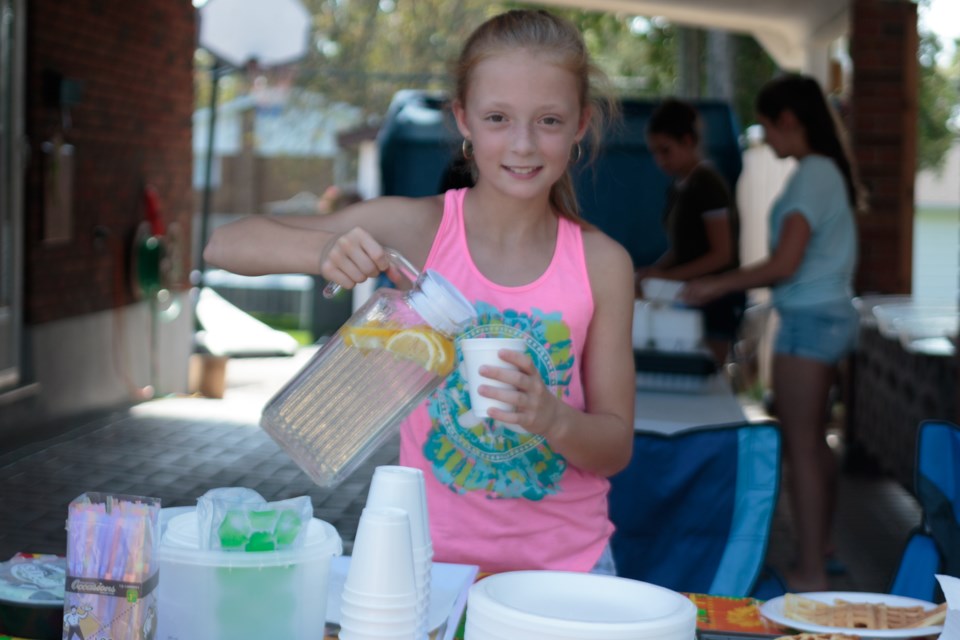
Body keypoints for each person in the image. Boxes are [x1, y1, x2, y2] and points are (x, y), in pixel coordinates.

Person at [204, 9, 635, 576]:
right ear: (464, 119)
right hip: (426, 567)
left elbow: (614, 449)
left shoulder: (603, 264)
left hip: (567, 571)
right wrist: (321, 252)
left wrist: (552, 418)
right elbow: (224, 245)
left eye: (549, 120)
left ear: (580, 124)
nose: (523, 143)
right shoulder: (421, 232)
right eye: (498, 117)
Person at [682, 73, 863, 592]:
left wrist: (715, 284)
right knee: (816, 441)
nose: (766, 137)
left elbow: (784, 262)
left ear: (788, 120)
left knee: (802, 443)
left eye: (766, 126)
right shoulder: (824, 172)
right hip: (825, 318)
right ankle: (821, 550)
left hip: (809, 321)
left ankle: (808, 572)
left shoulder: (813, 174)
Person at [637, 98, 745, 364]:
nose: (660, 160)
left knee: (706, 374)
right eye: (654, 152)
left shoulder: (708, 185)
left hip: (715, 299)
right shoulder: (678, 186)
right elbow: (683, 247)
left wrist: (668, 278)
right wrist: (655, 272)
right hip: (689, 297)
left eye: (665, 150)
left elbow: (722, 254)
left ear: (688, 141)